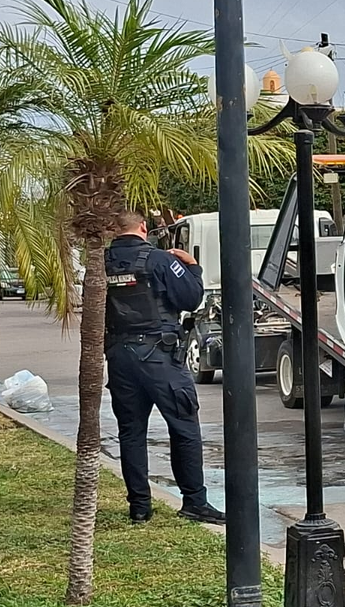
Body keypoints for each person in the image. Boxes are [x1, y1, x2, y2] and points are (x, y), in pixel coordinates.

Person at [103, 210, 225, 525]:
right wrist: (193, 267)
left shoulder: (101, 262)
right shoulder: (157, 259)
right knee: (184, 427)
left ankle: (140, 508)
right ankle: (195, 501)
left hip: (119, 356)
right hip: (159, 356)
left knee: (130, 433)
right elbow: (191, 298)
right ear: (143, 227)